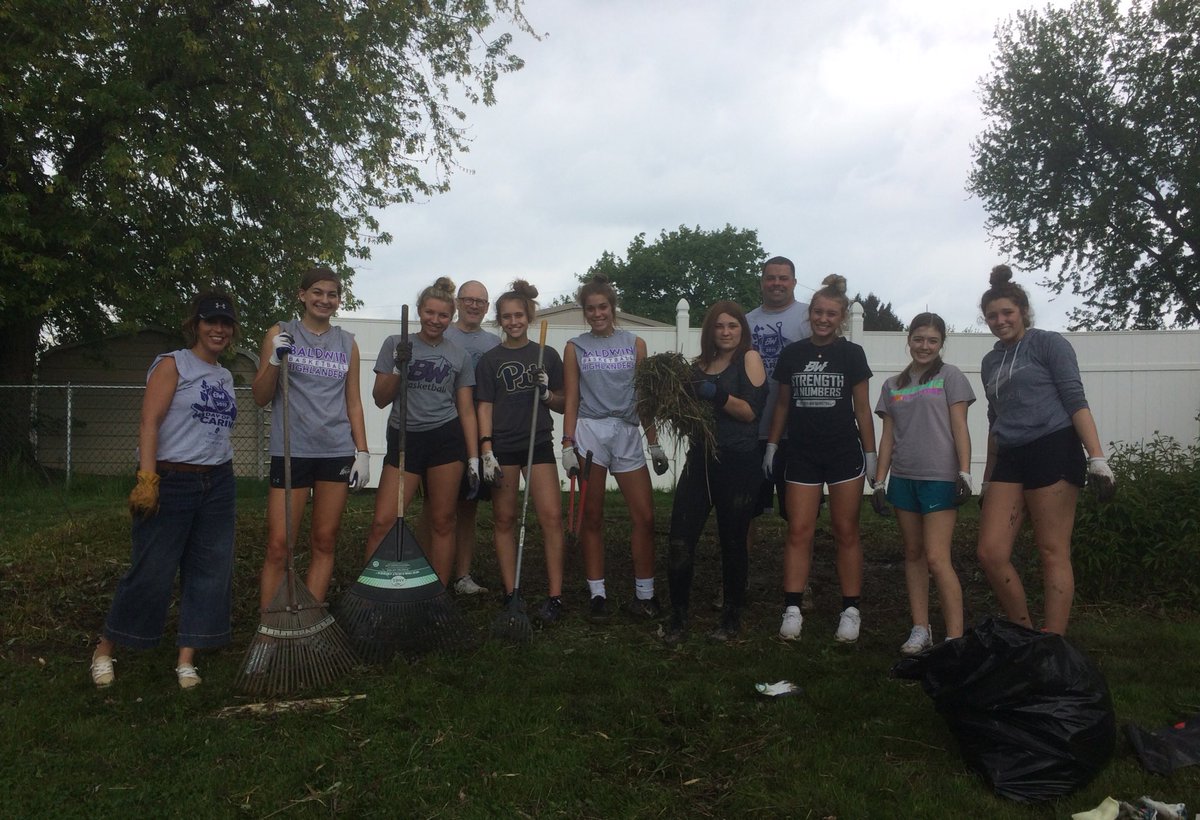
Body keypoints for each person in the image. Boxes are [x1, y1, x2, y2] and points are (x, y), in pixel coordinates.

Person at [90, 293, 240, 690]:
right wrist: (147, 478)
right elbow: (149, 422)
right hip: (172, 481)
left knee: (209, 570)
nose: (218, 330)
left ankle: (187, 659)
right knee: (151, 570)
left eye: (225, 323)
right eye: (211, 322)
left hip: (218, 482)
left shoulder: (224, 376)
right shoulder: (174, 364)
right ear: (196, 324)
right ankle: (105, 649)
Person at [976, 265, 1114, 635]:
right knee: (990, 552)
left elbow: (1075, 400)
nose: (1000, 320)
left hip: (1053, 447)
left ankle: (1052, 644)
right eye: (992, 316)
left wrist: (1097, 458)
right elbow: (995, 420)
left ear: (1022, 311)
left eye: (1007, 313)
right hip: (1011, 456)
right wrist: (988, 478)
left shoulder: (1048, 344)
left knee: (1052, 550)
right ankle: (1024, 633)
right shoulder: (990, 361)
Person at [765, 274, 875, 643]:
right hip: (802, 454)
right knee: (799, 531)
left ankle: (850, 609)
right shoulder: (793, 353)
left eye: (831, 314)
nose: (823, 319)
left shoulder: (851, 354)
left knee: (846, 531)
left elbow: (862, 409)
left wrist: (871, 453)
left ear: (841, 317)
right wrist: (773, 445)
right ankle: (792, 608)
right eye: (817, 312)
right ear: (809, 314)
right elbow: (782, 404)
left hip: (844, 453)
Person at [253, 267, 369, 611]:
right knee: (279, 545)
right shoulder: (281, 332)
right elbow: (260, 396)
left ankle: (308, 620)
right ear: (302, 295)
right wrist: (274, 359)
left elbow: (353, 401)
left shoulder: (347, 342)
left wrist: (362, 451)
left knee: (324, 541)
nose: (324, 299)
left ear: (338, 300)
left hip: (335, 450)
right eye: (317, 292)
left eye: (331, 294)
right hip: (292, 451)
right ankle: (270, 627)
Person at [562, 274, 668, 622]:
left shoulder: (635, 343)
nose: (596, 314)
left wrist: (653, 442)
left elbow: (644, 397)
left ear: (613, 307)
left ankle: (645, 593)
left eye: (602, 307)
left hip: (626, 431)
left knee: (645, 516)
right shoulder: (575, 347)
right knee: (592, 517)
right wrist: (567, 442)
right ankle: (597, 594)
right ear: (584, 311)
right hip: (590, 432)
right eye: (590, 309)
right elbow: (573, 398)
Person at [664, 301, 767, 645]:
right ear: (710, 331)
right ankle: (678, 617)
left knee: (733, 542)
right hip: (700, 462)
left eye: (732, 326)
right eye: (719, 326)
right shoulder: (698, 366)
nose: (726, 332)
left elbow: (750, 411)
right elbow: (686, 413)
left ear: (742, 330)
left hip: (738, 462)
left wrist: (716, 393)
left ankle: (731, 619)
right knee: (679, 538)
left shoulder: (748, 359)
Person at [365, 276, 479, 585]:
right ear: (419, 311)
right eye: (430, 313)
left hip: (445, 439)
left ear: (451, 317)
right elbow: (379, 399)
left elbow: (466, 409)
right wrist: (401, 367)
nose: (436, 320)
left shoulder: (459, 355)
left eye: (443, 315)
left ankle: (437, 594)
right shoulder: (396, 343)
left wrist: (474, 457)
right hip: (405, 438)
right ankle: (373, 591)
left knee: (443, 520)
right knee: (384, 521)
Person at [873, 313, 974, 654]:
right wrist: (879, 482)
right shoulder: (892, 386)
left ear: (941, 343)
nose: (925, 346)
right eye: (919, 339)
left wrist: (964, 472)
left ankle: (954, 637)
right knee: (913, 554)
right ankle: (920, 629)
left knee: (936, 557)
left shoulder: (951, 377)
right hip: (903, 478)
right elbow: (887, 436)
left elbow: (960, 426)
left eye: (932, 340)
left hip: (939, 478)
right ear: (909, 340)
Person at [476, 281, 567, 622]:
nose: (513, 321)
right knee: (504, 519)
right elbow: (484, 405)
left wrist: (546, 395)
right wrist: (486, 449)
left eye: (518, 315)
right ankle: (511, 592)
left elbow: (562, 403)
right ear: (499, 321)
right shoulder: (491, 360)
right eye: (506, 317)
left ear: (528, 315)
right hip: (503, 446)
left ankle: (555, 596)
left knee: (551, 517)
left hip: (537, 442)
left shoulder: (547, 354)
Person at [744, 256, 812, 609]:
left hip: (795, 434)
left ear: (794, 281)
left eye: (783, 278)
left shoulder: (808, 318)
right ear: (762, 281)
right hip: (750, 430)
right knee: (744, 512)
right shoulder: (746, 322)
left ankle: (803, 584)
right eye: (770, 278)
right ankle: (736, 582)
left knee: (798, 516)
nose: (776, 283)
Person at [441, 280, 501, 596]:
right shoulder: (443, 333)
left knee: (468, 505)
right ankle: (430, 569)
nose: (474, 305)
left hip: (479, 430)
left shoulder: (493, 343)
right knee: (438, 507)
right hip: (443, 427)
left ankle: (462, 575)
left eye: (481, 301)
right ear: (458, 302)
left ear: (486, 307)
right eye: (469, 299)